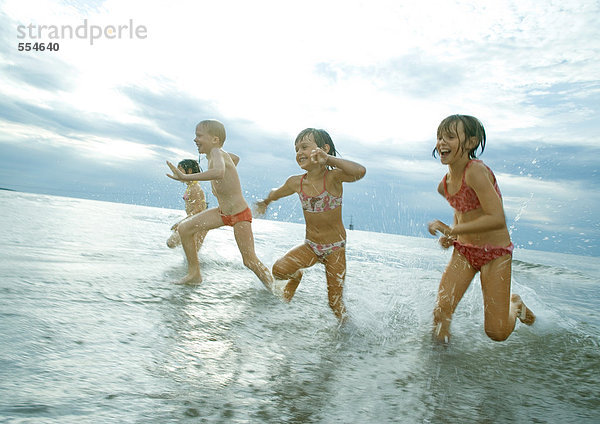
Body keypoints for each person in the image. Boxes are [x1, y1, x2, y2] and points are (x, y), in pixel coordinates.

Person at [427, 114, 535, 344]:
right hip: (465, 251)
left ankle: (514, 305)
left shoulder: (475, 171)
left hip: (495, 254)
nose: (441, 142)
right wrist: (452, 233)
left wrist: (450, 230)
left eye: (450, 137)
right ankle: (438, 371)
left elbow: (496, 218)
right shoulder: (444, 185)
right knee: (441, 313)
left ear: (471, 143)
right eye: (439, 137)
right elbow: (463, 212)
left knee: (496, 333)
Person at [255, 128, 366, 322]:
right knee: (279, 270)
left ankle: (348, 334)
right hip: (311, 246)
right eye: (296, 149)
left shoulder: (333, 177)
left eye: (304, 147)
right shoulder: (296, 182)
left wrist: (329, 160)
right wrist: (265, 202)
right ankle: (296, 276)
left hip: (335, 249)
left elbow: (360, 172)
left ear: (323, 149)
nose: (299, 153)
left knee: (334, 303)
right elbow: (277, 192)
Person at [166, 119, 273, 288]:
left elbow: (219, 172)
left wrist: (186, 177)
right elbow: (235, 159)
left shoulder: (216, 152)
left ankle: (274, 287)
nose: (195, 140)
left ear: (215, 140)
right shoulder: (216, 155)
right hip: (222, 213)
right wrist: (230, 165)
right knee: (184, 229)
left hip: (239, 214)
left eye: (199, 136)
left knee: (249, 260)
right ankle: (194, 274)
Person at [166, 159, 208, 251]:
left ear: (189, 171)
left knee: (172, 243)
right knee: (189, 252)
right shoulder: (191, 186)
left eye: (180, 170)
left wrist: (181, 223)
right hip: (194, 222)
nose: (178, 173)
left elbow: (199, 209)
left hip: (199, 223)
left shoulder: (195, 188)